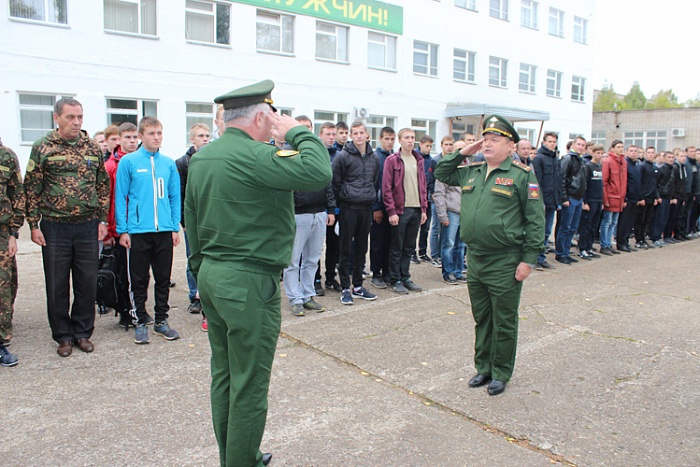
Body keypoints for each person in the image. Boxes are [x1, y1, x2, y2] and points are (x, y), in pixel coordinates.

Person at [185, 80, 331, 467]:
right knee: (249, 383)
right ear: (262, 116)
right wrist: (297, 131)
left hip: (213, 276)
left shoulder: (204, 157)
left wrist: (201, 273)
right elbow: (319, 172)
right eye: (273, 118)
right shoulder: (255, 155)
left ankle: (237, 454)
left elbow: (192, 222)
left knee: (226, 375)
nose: (274, 126)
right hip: (248, 281)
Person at [434, 115, 545, 396]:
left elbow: (535, 220)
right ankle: (483, 367)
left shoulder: (522, 176)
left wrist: (528, 259)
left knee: (504, 320)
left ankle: (501, 371)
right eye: (486, 139)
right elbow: (441, 172)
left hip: (506, 260)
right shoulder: (471, 171)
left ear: (511, 146)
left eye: (496, 140)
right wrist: (464, 152)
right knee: (482, 317)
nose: (488, 144)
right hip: (477, 258)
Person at [24, 97, 110, 357]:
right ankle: (63, 335)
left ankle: (82, 332)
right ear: (57, 118)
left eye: (80, 117)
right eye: (70, 117)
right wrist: (33, 225)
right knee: (57, 284)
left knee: (86, 282)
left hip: (87, 226)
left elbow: (102, 186)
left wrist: (103, 220)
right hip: (54, 227)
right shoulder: (43, 147)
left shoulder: (92, 147)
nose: (76, 122)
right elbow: (32, 188)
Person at [115, 116, 181, 345]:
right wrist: (123, 230)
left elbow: (174, 197)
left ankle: (162, 320)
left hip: (163, 231)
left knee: (163, 278)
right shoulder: (129, 162)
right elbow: (121, 197)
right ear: (141, 136)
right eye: (152, 133)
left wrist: (174, 227)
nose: (156, 137)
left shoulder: (168, 163)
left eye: (159, 133)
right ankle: (140, 321)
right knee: (139, 279)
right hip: (138, 231)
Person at [283, 117, 336, 316]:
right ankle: (295, 298)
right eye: (301, 128)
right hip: (297, 215)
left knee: (312, 259)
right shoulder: (287, 152)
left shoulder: (316, 151)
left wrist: (330, 209)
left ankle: (307, 295)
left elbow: (326, 180)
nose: (305, 131)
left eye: (308, 128)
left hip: (319, 213)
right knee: (293, 261)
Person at [332, 121, 379, 305]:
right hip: (348, 208)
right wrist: (336, 210)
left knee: (361, 249)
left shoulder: (374, 158)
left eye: (362, 133)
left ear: (367, 134)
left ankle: (358, 286)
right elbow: (335, 183)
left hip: (365, 208)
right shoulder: (342, 157)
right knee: (345, 249)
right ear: (352, 135)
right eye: (355, 133)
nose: (359, 136)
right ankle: (345, 288)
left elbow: (374, 181)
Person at [104, 122, 144, 329]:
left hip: (139, 226)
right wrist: (112, 230)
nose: (131, 141)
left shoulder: (141, 161)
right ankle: (125, 311)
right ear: (119, 139)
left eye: (134, 137)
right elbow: (109, 200)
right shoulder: (111, 166)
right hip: (120, 229)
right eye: (127, 137)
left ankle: (139, 308)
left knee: (139, 273)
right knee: (122, 274)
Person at [383, 128, 428, 294]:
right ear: (400, 140)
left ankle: (405, 277)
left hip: (416, 209)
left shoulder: (418, 159)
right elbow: (386, 188)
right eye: (407, 138)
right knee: (396, 247)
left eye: (412, 138)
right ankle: (394, 279)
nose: (410, 141)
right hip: (400, 210)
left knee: (409, 247)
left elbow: (422, 186)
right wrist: (391, 211)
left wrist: (423, 208)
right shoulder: (392, 160)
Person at [176, 123, 210, 323]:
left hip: (210, 218)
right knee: (193, 257)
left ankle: (208, 295)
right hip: (192, 219)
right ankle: (194, 295)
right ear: (192, 139)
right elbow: (181, 194)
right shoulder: (182, 163)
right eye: (200, 135)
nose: (205, 138)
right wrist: (184, 220)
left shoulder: (213, 158)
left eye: (207, 135)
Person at [0, 143, 24, 367]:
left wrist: (14, 232)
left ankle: (1, 343)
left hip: (2, 233)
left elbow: (17, 194)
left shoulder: (6, 156)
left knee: (4, 288)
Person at [369, 126, 395, 289]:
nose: (390, 142)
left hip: (392, 207)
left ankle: (387, 271)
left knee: (389, 242)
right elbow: (373, 184)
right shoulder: (376, 157)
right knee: (377, 242)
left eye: (392, 139)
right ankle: (376, 273)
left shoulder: (394, 157)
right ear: (380, 139)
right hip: (379, 206)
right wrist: (375, 207)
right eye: (387, 138)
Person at [555, 136, 587, 264]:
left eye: (583, 145)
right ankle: (560, 253)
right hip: (570, 197)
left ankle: (566, 252)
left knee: (572, 227)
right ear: (573, 145)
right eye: (578, 144)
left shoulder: (581, 160)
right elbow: (561, 179)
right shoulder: (568, 159)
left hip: (578, 198)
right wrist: (564, 197)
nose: (580, 147)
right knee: (565, 226)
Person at [531, 132, 561, 270]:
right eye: (550, 141)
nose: (552, 144)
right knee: (539, 231)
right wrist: (539, 201)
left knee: (547, 232)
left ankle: (541, 258)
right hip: (542, 201)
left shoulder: (555, 159)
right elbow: (538, 181)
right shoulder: (539, 158)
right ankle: (535, 258)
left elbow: (557, 181)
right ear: (544, 142)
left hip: (552, 201)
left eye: (554, 142)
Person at [427, 136, 455, 268]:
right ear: (442, 145)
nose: (449, 147)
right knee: (436, 227)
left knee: (446, 230)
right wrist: (434, 196)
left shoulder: (454, 160)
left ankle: (443, 256)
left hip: (449, 201)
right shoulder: (435, 160)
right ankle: (435, 255)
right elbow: (430, 180)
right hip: (436, 199)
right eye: (447, 145)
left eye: (451, 144)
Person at [599, 140, 627, 255]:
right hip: (611, 196)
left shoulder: (623, 162)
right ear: (613, 148)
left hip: (619, 197)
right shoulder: (608, 161)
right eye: (618, 147)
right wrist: (605, 199)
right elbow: (604, 182)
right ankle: (604, 244)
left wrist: (623, 197)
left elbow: (624, 181)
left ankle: (609, 244)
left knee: (614, 222)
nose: (621, 149)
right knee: (607, 222)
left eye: (622, 147)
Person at [577, 144, 604, 260]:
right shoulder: (588, 166)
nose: (600, 156)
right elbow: (584, 185)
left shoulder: (600, 167)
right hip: (590, 201)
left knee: (594, 226)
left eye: (602, 153)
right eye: (598, 153)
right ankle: (582, 248)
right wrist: (585, 202)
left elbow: (600, 185)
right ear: (593, 153)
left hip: (598, 200)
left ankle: (589, 247)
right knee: (586, 226)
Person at [616, 145, 642, 252]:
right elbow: (623, 182)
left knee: (630, 222)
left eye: (636, 151)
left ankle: (626, 241)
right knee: (623, 221)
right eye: (631, 151)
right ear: (626, 152)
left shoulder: (637, 165)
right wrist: (624, 198)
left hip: (635, 198)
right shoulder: (625, 164)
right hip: (627, 198)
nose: (634, 153)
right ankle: (621, 242)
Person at [415, 134, 434, 264]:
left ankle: (422, 251)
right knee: (414, 227)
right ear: (420, 144)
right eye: (427, 146)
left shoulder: (431, 160)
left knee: (426, 227)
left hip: (427, 197)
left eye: (430, 146)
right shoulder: (415, 157)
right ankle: (411, 252)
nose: (428, 149)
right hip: (416, 196)